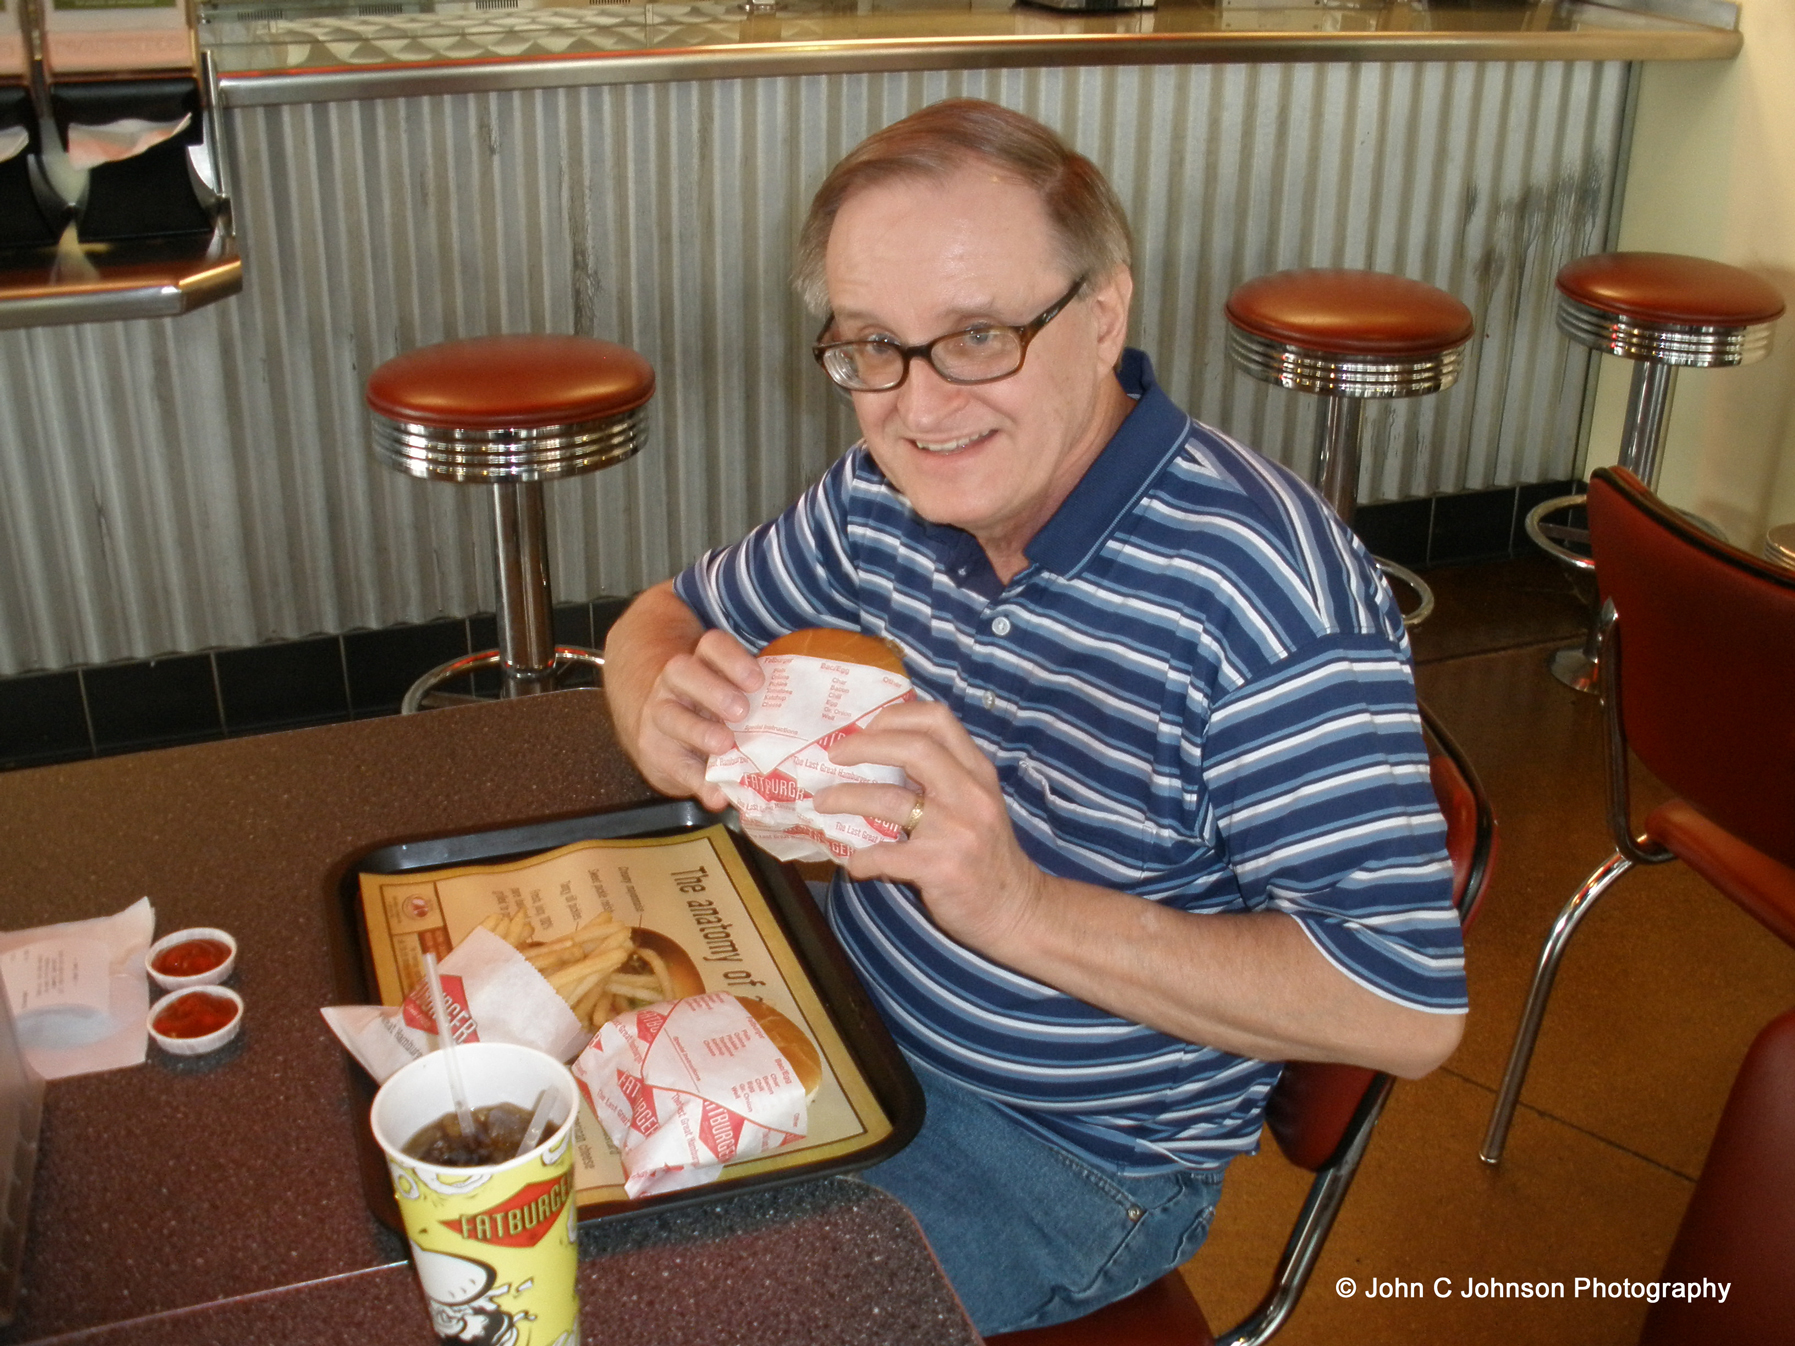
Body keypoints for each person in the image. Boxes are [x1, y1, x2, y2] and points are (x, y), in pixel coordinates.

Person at [603, 98, 1467, 1334]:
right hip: (849, 1021)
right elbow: (663, 615)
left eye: (977, 336)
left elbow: (1403, 1006)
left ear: (1103, 314)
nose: (916, 403)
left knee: (670, 1311)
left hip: (1072, 1158)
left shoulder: (1263, 592)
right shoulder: (887, 495)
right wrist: (656, 716)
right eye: (870, 346)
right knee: (513, 1180)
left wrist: (1016, 904)